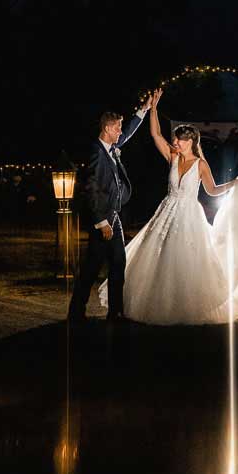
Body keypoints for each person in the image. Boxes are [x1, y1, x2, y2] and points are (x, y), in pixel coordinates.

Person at [98, 87, 238, 325]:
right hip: (167, 211)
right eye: (175, 139)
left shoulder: (200, 164)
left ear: (190, 141)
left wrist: (234, 184)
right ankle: (158, 306)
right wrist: (153, 109)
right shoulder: (172, 157)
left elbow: (212, 190)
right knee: (161, 260)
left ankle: (186, 307)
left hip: (190, 215)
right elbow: (155, 134)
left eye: (178, 139)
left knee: (187, 260)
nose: (175, 142)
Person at [67, 94, 153, 323]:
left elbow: (128, 134)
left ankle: (115, 312)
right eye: (117, 128)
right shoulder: (96, 151)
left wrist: (143, 110)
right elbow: (91, 188)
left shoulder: (111, 147)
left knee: (117, 264)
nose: (119, 132)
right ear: (107, 128)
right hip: (103, 220)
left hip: (114, 216)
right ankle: (77, 312)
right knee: (93, 268)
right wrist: (101, 221)